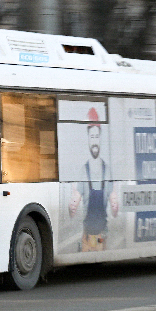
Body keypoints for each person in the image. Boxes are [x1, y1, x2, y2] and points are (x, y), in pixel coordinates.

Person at [68, 107, 118, 251]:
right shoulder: (83, 171)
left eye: (97, 137)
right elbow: (73, 207)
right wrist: (72, 203)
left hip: (103, 234)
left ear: (100, 139)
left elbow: (115, 208)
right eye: (92, 137)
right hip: (86, 235)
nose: (95, 141)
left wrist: (115, 202)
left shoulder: (107, 170)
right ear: (88, 140)